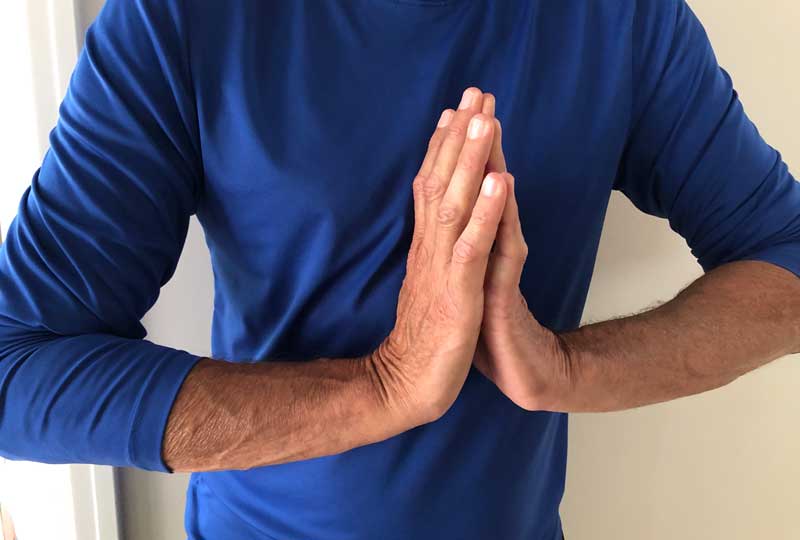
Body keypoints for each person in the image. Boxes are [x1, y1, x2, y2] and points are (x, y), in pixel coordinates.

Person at [1, 1, 798, 538]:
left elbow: (786, 257)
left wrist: (564, 368)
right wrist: (385, 386)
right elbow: (17, 367)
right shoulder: (183, 17)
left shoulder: (619, 18)